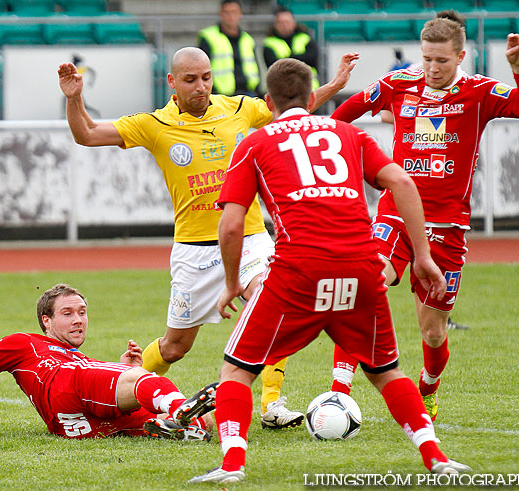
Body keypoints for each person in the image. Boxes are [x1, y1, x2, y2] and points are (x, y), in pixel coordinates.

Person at [189, 58, 470, 484]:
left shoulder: (256, 142)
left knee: (237, 371)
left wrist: (232, 284)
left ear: (269, 102)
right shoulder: (350, 134)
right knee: (387, 372)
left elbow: (230, 225)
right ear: (312, 98)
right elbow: (404, 184)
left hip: (297, 270)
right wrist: (424, 256)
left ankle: (231, 465)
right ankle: (436, 457)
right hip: (361, 268)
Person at [58, 46, 359, 430]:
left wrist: (335, 83)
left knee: (271, 301)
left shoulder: (239, 109)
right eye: (190, 80)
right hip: (193, 252)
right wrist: (75, 98)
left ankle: (270, 403)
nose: (200, 87)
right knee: (174, 347)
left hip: (249, 238)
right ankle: (115, 387)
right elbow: (85, 134)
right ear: (172, 82)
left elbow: (294, 105)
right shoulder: (154, 124)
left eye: (206, 77)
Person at [328, 11, 519, 420]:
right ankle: (339, 392)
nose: (432, 68)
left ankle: (428, 385)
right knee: (366, 284)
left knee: (433, 330)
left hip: (447, 227)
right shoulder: (398, 84)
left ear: (460, 56)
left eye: (441, 60)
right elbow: (342, 118)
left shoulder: (480, 92)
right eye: (426, 58)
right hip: (396, 216)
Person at [0, 283, 218, 441]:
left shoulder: (82, 358)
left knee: (205, 427)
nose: (78, 320)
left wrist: (124, 368)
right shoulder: (24, 343)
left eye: (82, 313)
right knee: (146, 381)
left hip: (84, 425)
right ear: (45, 320)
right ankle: (178, 411)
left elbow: (101, 382)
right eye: (68, 313)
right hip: (66, 387)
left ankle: (183, 426)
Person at [197, 0, 261, 97]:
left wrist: (257, 90)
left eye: (234, 12)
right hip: (221, 96)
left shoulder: (247, 39)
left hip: (248, 93)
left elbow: (255, 67)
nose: (231, 16)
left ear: (240, 14)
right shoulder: (208, 37)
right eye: (227, 12)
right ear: (221, 14)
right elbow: (201, 68)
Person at [262, 5, 319, 90]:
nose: (284, 25)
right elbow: (273, 65)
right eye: (281, 22)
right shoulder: (269, 43)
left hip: (308, 90)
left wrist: (286, 59)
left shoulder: (305, 38)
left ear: (294, 23)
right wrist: (300, 59)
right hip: (282, 93)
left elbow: (312, 58)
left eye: (287, 22)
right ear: (275, 25)